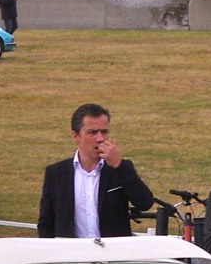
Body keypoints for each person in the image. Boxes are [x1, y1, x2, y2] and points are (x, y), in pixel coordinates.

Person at [37, 102, 154, 239]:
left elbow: (145, 203)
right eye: (92, 132)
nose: (100, 139)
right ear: (75, 136)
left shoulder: (119, 169)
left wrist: (120, 165)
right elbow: (46, 223)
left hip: (113, 255)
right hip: (73, 255)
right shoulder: (56, 173)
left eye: (104, 132)